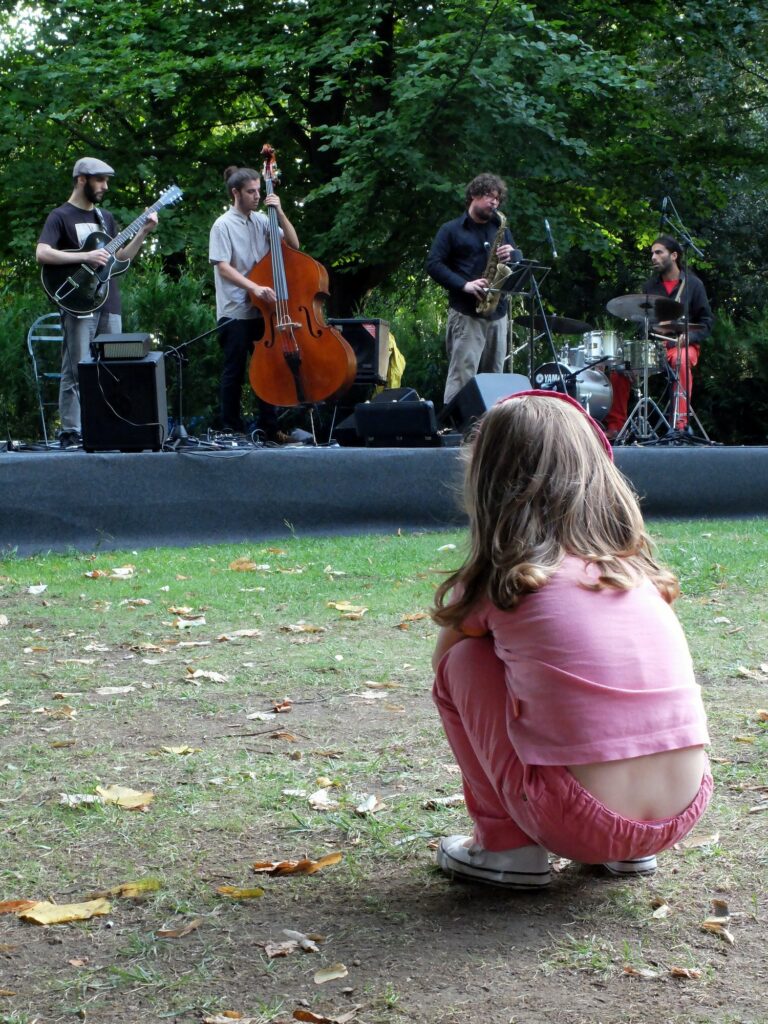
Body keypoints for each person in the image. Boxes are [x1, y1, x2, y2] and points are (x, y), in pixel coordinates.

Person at [430, 390, 711, 888]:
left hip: (575, 819)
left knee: (465, 661)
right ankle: (627, 853)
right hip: (682, 810)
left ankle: (506, 847)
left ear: (488, 482)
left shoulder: (507, 579)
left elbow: (446, 661)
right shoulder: (636, 574)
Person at [36, 157, 158, 448]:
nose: (105, 186)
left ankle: (109, 425)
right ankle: (71, 431)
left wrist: (142, 232)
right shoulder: (60, 216)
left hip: (108, 301)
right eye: (100, 180)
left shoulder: (105, 218)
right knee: (77, 368)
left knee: (113, 367)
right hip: (78, 302)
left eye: (106, 181)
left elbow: (122, 258)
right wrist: (85, 256)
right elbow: (42, 253)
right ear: (82, 180)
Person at [208, 165, 300, 439]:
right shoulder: (222, 225)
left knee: (268, 369)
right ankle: (230, 427)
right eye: (251, 192)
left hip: (264, 312)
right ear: (235, 193)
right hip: (236, 310)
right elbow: (223, 267)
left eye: (259, 190)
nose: (257, 196)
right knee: (234, 371)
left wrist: (279, 212)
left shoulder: (263, 220)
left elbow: (294, 245)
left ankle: (269, 427)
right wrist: (255, 287)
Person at [427, 173, 521, 405]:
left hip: (497, 312)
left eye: (497, 198)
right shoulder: (451, 230)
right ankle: (454, 429)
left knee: (495, 377)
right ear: (473, 195)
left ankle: (491, 429)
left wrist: (513, 255)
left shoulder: (500, 228)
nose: (494, 203)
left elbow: (518, 260)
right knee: (462, 374)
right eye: (490, 196)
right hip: (467, 312)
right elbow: (433, 264)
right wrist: (464, 285)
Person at [604, 235, 713, 438]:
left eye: (658, 252)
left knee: (682, 361)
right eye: (652, 253)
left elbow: (706, 323)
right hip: (654, 347)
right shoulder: (649, 288)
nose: (653, 257)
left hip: (682, 344)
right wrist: (648, 337)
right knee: (620, 368)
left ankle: (680, 423)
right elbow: (641, 321)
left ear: (674, 255)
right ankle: (616, 426)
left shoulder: (694, 285)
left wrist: (689, 337)